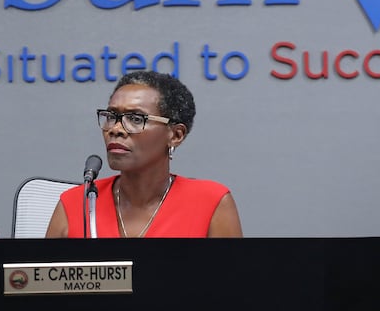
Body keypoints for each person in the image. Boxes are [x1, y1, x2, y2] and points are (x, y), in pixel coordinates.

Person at [45, 70, 243, 238]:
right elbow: (44, 282)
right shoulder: (76, 203)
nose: (115, 129)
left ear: (175, 135)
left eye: (135, 119)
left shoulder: (211, 202)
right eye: (111, 116)